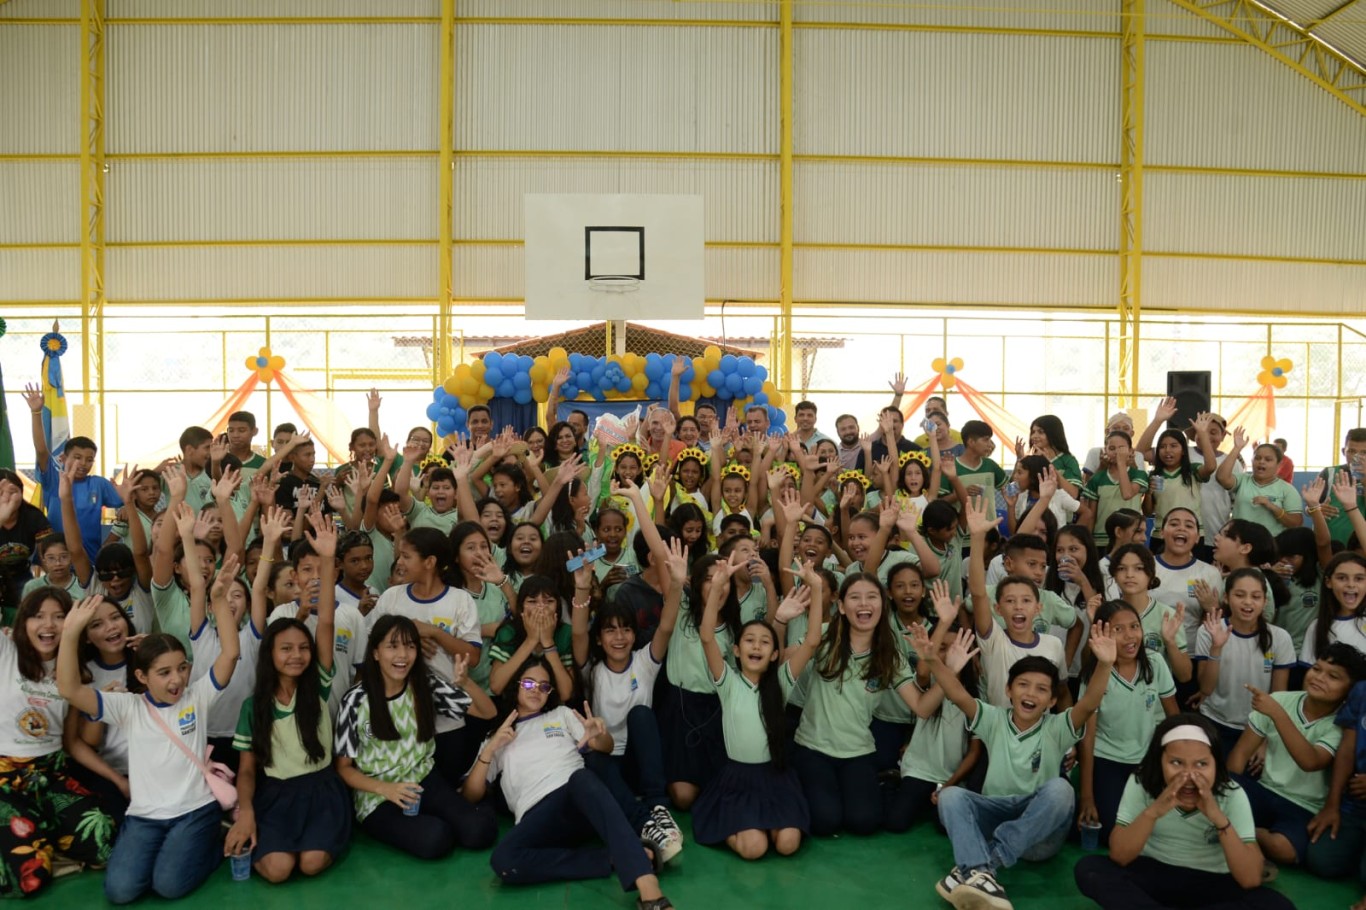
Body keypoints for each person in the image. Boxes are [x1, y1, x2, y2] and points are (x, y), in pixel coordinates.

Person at [57, 573, 241, 904]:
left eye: (182, 668)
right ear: (141, 677)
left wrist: (218, 600)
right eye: (164, 672)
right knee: (120, 891)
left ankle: (212, 842)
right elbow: (69, 689)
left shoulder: (196, 697)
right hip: (144, 817)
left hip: (194, 810)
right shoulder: (127, 707)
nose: (177, 680)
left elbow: (229, 655)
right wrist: (70, 632)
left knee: (168, 886)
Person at [918, 619, 1116, 910]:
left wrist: (1105, 664)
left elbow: (1088, 703)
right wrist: (933, 660)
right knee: (950, 795)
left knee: (1062, 790)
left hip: (1038, 837)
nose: (1030, 694)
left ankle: (980, 868)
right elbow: (957, 694)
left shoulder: (1058, 727)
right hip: (995, 814)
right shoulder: (992, 718)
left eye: (1040, 690)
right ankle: (980, 872)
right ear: (1008, 691)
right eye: (1023, 685)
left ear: (1050, 701)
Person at [462, 658, 674, 910]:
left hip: (578, 800)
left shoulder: (561, 714)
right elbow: (471, 794)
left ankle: (649, 889)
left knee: (582, 777)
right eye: (529, 682)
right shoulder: (499, 734)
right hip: (537, 817)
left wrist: (600, 735)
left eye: (544, 686)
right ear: (515, 686)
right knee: (503, 861)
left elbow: (601, 747)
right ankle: (615, 858)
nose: (535, 690)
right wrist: (492, 748)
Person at [225, 521, 351, 883]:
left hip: (321, 788)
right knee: (278, 871)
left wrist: (327, 560)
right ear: (270, 655)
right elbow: (247, 770)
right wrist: (245, 810)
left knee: (310, 863)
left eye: (303, 648)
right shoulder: (254, 706)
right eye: (286, 649)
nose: (296, 655)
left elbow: (324, 620)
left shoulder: (318, 687)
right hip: (276, 794)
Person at [1073, 713, 1293, 910]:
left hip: (1213, 881)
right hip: (1152, 872)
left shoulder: (1232, 793)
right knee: (1091, 869)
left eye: (1201, 764)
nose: (1188, 775)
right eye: (1176, 763)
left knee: (1275, 905)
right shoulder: (1142, 782)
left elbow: (1250, 878)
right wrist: (1154, 811)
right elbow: (1119, 856)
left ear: (1216, 764)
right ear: (1160, 762)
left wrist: (1218, 818)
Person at [791, 572, 946, 836]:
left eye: (872, 597)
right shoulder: (823, 637)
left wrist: (943, 669)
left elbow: (921, 707)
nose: (864, 604)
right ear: (841, 606)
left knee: (864, 822)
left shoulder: (889, 653)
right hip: (812, 747)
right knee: (824, 821)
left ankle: (881, 784)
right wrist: (795, 608)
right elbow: (786, 658)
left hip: (858, 751)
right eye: (855, 597)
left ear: (883, 605)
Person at [691, 555, 823, 859]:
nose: (756, 646)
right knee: (754, 849)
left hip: (775, 778)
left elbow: (813, 641)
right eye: (749, 640)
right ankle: (742, 827)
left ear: (775, 654)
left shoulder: (782, 681)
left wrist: (815, 589)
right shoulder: (727, 682)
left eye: (765, 642)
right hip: (737, 781)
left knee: (788, 844)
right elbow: (707, 636)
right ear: (736, 650)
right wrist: (718, 588)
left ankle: (765, 824)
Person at [335, 615, 498, 858]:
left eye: (410, 645)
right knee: (435, 840)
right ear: (376, 652)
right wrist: (385, 789)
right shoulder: (355, 700)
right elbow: (344, 768)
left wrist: (466, 683)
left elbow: (488, 712)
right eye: (393, 646)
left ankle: (447, 814)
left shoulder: (424, 685)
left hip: (424, 780)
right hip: (378, 795)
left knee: (480, 831)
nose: (403, 655)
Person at [0, 589, 114, 898]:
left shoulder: (74, 673)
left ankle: (43, 839)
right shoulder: (6, 650)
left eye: (59, 616)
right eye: (38, 616)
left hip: (51, 774)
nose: (48, 625)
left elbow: (74, 743)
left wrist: (119, 780)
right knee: (31, 878)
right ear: (23, 622)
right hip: (4, 779)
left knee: (103, 843)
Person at [1228, 644, 1365, 872]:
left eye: (1333, 676)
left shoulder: (1340, 724)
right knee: (1220, 791)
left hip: (1304, 806)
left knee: (1285, 850)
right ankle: (1241, 833)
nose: (1319, 678)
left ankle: (1252, 835)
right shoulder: (1281, 699)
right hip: (1264, 790)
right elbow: (1240, 754)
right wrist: (1228, 790)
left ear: (1350, 691)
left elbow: (1311, 761)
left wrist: (1277, 713)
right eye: (1316, 669)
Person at [1077, 600, 1179, 845]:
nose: (1129, 636)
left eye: (1134, 626)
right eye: (1118, 629)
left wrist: (1174, 766)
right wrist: (1087, 796)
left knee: (1165, 825)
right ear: (1101, 633)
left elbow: (1174, 720)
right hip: (1107, 758)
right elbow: (1088, 737)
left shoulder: (1154, 662)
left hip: (1147, 760)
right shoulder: (1096, 673)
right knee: (1108, 831)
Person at [1194, 568, 1295, 750]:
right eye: (1239, 595)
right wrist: (1216, 647)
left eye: (1256, 597)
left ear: (1265, 601)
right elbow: (1206, 689)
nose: (1248, 602)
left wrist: (1266, 740)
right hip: (1213, 722)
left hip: (1256, 728)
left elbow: (1279, 696)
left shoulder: (1280, 637)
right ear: (1226, 597)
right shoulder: (1209, 630)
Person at [22, 384, 122, 562]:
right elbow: (42, 451)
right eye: (77, 457)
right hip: (57, 562)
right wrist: (36, 413)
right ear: (63, 457)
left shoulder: (98, 484)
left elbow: (126, 500)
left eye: (89, 459)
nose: (83, 463)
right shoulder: (54, 480)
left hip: (90, 561)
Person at [0, 468, 54, 625]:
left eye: (12, 491)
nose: (6, 497)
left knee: (30, 611)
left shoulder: (33, 516)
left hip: (20, 575)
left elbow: (46, 554)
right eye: (1, 492)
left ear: (21, 493)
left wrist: (53, 581)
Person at [1313, 428, 1366, 547]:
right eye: (1352, 451)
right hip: (1330, 546)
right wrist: (1316, 509)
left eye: (1364, 452)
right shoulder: (1329, 473)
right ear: (1344, 451)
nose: (1357, 457)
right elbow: (1310, 506)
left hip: (1361, 548)